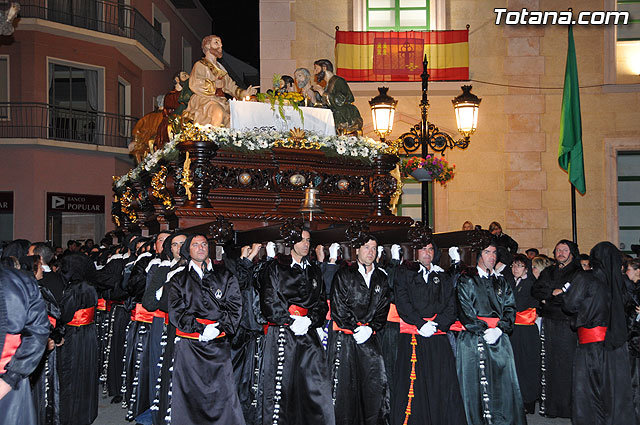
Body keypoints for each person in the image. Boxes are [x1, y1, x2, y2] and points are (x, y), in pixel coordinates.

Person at [257, 220, 335, 425]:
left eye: (308, 240)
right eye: (301, 240)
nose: (305, 244)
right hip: (283, 332)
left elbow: (321, 304)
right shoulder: (275, 267)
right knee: (282, 387)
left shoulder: (314, 270)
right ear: (291, 242)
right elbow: (268, 301)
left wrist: (310, 320)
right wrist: (290, 321)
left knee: (313, 386)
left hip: (308, 334)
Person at [168, 233, 245, 424]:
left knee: (222, 393)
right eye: (195, 245)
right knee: (190, 394)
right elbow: (176, 312)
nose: (201, 247)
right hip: (190, 346)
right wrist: (200, 329)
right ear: (188, 250)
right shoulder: (178, 279)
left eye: (204, 244)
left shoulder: (226, 276)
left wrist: (218, 329)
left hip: (218, 345)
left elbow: (235, 307)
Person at [391, 237, 467, 425]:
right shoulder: (405, 274)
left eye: (431, 249)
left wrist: (438, 324)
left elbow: (451, 305)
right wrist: (420, 324)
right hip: (414, 335)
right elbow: (402, 302)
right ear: (415, 252)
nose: (428, 253)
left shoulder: (442, 276)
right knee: (415, 386)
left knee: (441, 383)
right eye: (423, 249)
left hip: (437, 336)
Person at [563, 242, 636, 424]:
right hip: (617, 345)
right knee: (614, 392)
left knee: (589, 391)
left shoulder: (586, 278)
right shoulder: (622, 281)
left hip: (591, 344)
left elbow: (570, 304)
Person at [456, 236, 525, 425]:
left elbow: (510, 308)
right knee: (474, 386)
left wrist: (500, 329)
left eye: (494, 253)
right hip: (472, 339)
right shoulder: (466, 280)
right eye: (487, 252)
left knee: (502, 384)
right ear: (479, 255)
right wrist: (483, 329)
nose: (492, 257)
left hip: (499, 338)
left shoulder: (501, 282)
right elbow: (464, 310)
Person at [329, 235, 391, 425]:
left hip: (370, 340)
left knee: (374, 389)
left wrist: (370, 328)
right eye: (366, 247)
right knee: (345, 391)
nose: (370, 252)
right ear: (357, 250)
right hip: (347, 339)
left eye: (374, 248)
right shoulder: (344, 274)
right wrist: (355, 328)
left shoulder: (381, 277)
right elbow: (338, 309)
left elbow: (383, 309)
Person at [531, 239, 582, 418]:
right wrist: (554, 293)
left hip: (568, 326)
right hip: (550, 323)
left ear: (572, 253)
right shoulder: (549, 271)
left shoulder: (578, 273)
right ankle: (551, 408)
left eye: (565, 250)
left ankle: (568, 409)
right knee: (550, 366)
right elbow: (536, 290)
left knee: (567, 367)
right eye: (558, 250)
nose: (560, 253)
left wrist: (551, 298)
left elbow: (573, 298)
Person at [0, 266, 50, 425]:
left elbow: (38, 330)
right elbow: (39, 331)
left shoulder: (19, 281)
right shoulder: (22, 280)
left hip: (9, 375)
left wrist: (10, 378)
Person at [57, 253, 99, 425]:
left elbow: (65, 314)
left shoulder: (74, 288)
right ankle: (86, 413)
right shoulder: (90, 285)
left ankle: (71, 416)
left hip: (74, 333)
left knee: (71, 372)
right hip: (88, 333)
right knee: (87, 371)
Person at [185, 35, 256, 127]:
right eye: (216, 42)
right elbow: (195, 84)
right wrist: (214, 85)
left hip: (221, 100)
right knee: (218, 113)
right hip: (205, 100)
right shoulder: (200, 65)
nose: (220, 46)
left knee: (236, 118)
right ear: (207, 46)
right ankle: (214, 138)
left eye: (221, 44)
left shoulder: (220, 68)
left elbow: (230, 86)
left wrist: (244, 93)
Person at [505, 253, 541, 414]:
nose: (515, 269)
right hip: (514, 330)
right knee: (515, 364)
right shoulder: (511, 282)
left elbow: (519, 305)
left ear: (526, 268)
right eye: (513, 265)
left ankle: (529, 400)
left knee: (527, 364)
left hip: (526, 330)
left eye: (519, 266)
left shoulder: (531, 284)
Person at [311, 59, 363, 135]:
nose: (314, 72)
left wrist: (323, 93)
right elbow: (328, 104)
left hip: (344, 116)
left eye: (317, 69)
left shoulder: (339, 81)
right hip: (334, 115)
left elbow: (339, 101)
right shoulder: (328, 85)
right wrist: (314, 100)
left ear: (324, 68)